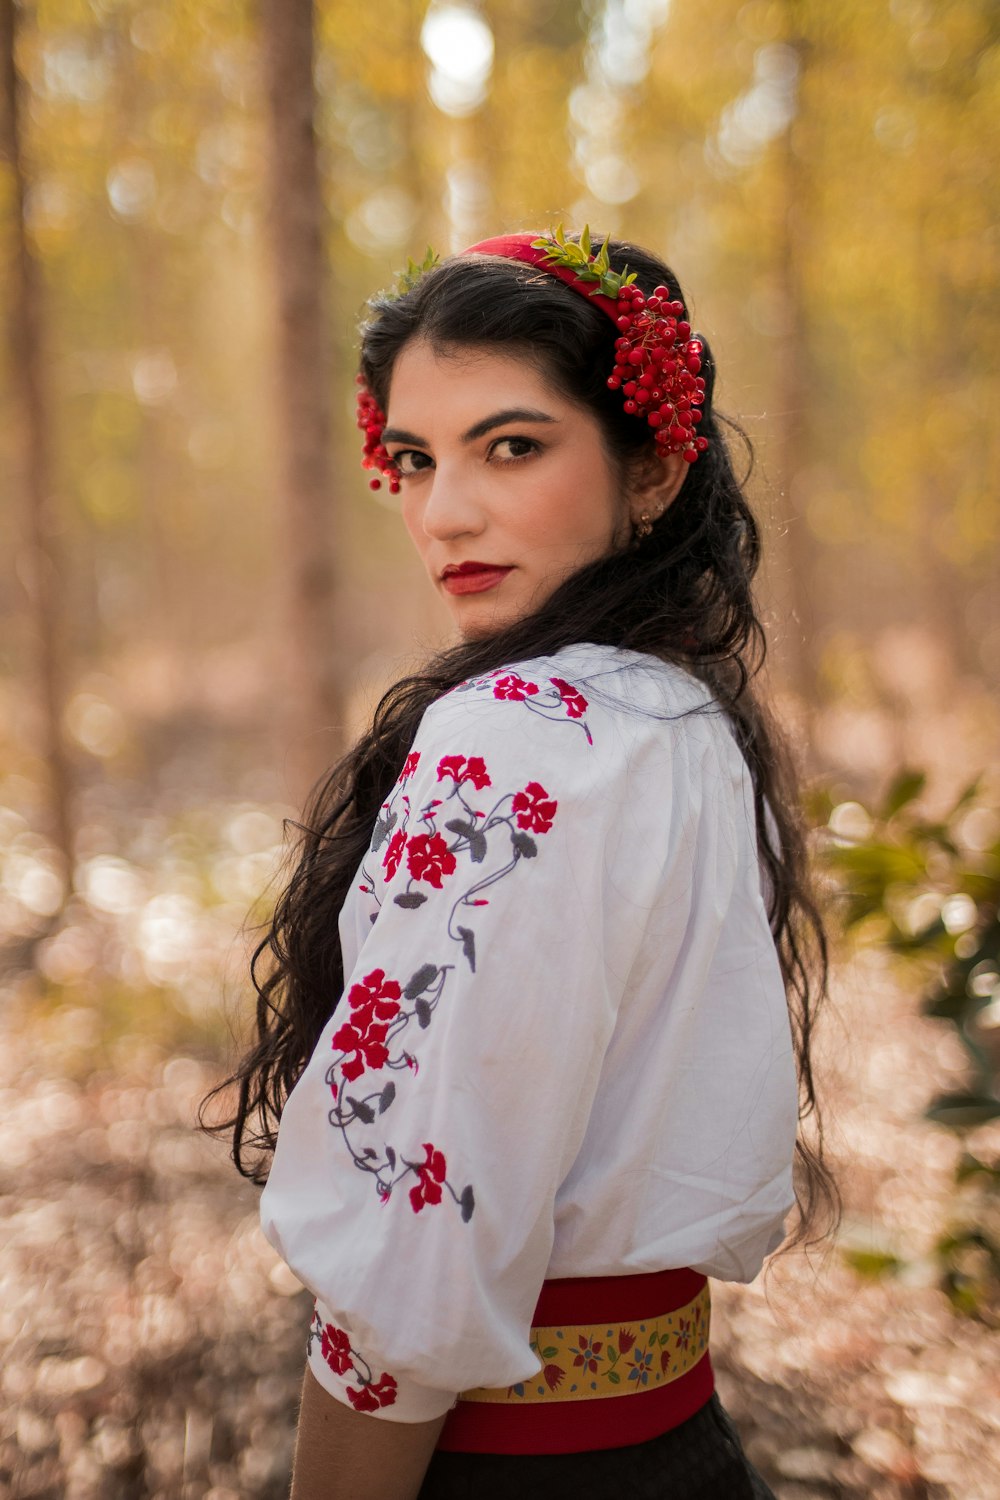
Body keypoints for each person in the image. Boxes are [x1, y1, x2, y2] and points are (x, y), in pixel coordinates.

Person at [209, 229, 836, 1499]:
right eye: (414, 459)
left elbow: (411, 1254)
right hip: (683, 1451)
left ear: (654, 467)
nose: (444, 513)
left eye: (512, 446)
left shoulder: (512, 734)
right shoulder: (685, 716)